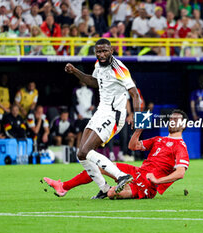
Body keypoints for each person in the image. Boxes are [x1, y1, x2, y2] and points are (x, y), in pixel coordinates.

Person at [43, 109, 189, 199]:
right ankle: (63, 187)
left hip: (147, 185)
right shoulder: (159, 139)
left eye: (177, 120)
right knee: (99, 167)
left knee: (113, 193)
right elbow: (133, 146)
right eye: (171, 119)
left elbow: (180, 173)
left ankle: (108, 191)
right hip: (137, 172)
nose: (173, 121)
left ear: (184, 125)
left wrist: (157, 182)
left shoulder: (181, 147)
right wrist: (138, 131)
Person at [63, 38, 141, 196]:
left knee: (87, 150)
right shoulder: (98, 65)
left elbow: (135, 94)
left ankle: (121, 176)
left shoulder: (119, 68)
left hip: (114, 115)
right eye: (99, 51)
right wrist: (75, 71)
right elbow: (93, 82)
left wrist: (137, 119)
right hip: (101, 112)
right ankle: (104, 189)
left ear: (111, 51)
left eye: (105, 51)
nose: (102, 54)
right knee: (81, 154)